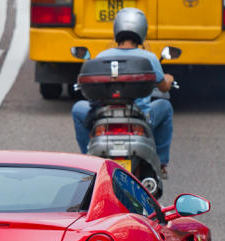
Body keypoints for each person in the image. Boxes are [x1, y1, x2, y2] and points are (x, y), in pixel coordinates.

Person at [71, 7, 175, 179]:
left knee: (77, 109)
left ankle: (86, 159)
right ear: (142, 29)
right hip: (140, 117)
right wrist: (168, 80)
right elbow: (163, 87)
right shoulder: (149, 58)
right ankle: (162, 163)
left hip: (103, 116)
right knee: (165, 106)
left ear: (117, 29)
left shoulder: (103, 55)